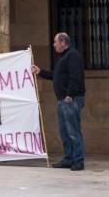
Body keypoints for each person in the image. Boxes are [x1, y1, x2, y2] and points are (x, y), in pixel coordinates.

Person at [31, 32, 86, 171]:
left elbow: (76, 77)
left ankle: (78, 160)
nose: (54, 44)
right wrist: (40, 71)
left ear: (62, 42)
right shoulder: (63, 57)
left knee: (73, 131)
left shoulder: (72, 56)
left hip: (70, 100)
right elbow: (55, 75)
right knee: (64, 132)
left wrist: (70, 95)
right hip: (62, 100)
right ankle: (68, 159)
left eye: (55, 42)